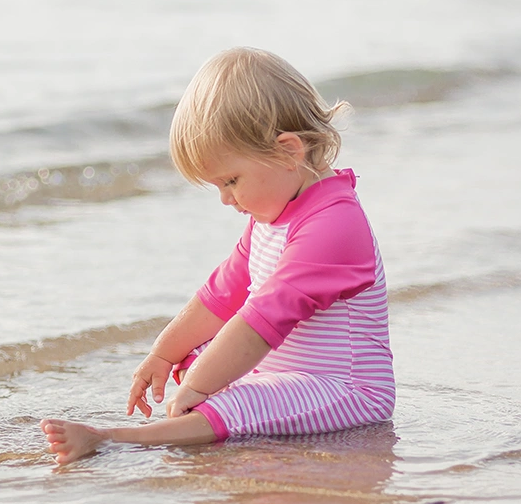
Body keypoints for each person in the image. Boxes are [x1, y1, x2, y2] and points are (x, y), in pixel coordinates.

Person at [41, 47, 394, 464]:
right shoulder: (272, 217)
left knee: (235, 402)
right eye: (218, 187)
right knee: (203, 359)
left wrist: (202, 387)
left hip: (347, 390)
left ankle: (117, 439)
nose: (226, 199)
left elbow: (262, 320)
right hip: (285, 374)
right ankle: (199, 411)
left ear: (289, 151)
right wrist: (164, 354)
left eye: (231, 180)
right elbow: (221, 295)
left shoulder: (334, 226)